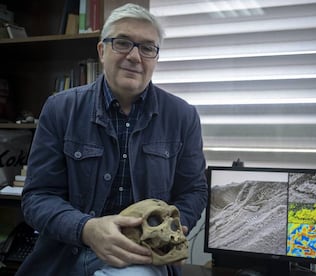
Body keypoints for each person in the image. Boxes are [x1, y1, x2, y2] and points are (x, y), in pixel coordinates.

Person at [16, 3, 207, 276]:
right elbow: (38, 197)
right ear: (101, 50)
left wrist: (169, 227)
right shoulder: (60, 109)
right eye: (122, 43)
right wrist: (87, 229)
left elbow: (194, 191)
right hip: (68, 253)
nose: (134, 56)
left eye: (147, 47)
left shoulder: (182, 116)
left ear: (155, 57)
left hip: (143, 255)